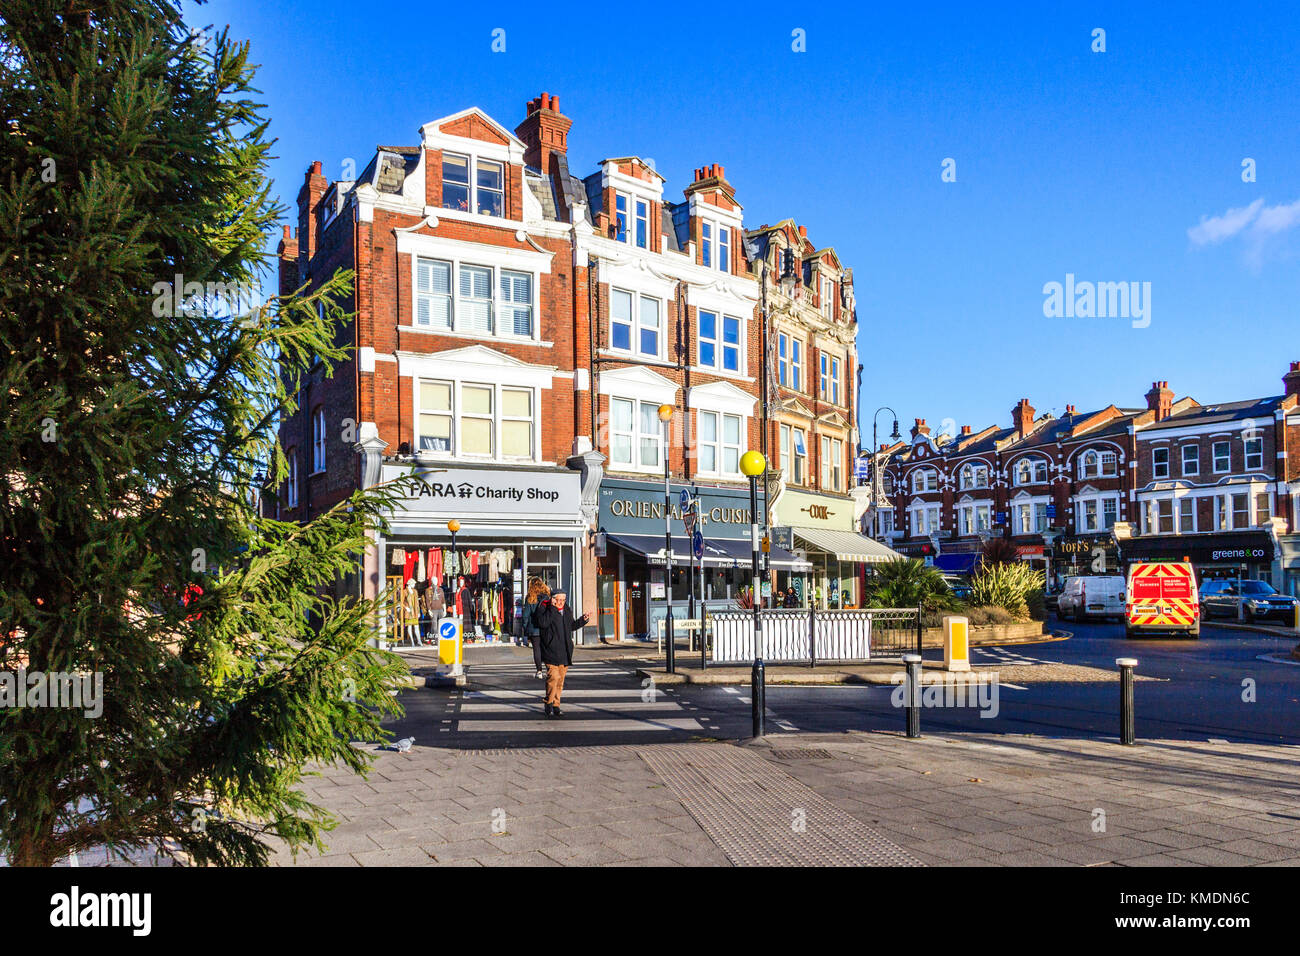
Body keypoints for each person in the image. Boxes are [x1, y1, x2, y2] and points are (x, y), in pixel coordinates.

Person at [534, 589, 589, 718]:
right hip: (550, 650)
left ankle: (556, 705)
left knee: (560, 681)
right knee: (553, 677)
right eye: (559, 600)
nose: (561, 602)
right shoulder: (544, 608)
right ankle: (548, 701)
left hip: (565, 650)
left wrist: (583, 620)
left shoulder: (567, 609)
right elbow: (543, 623)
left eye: (563, 600)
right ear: (553, 599)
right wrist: (552, 608)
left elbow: (571, 626)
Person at [521, 577, 549, 677]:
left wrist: (525, 628)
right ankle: (549, 668)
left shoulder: (530, 597)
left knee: (536, 649)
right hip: (545, 627)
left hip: (534, 629)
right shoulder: (547, 596)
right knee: (546, 648)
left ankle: (539, 671)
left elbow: (525, 616)